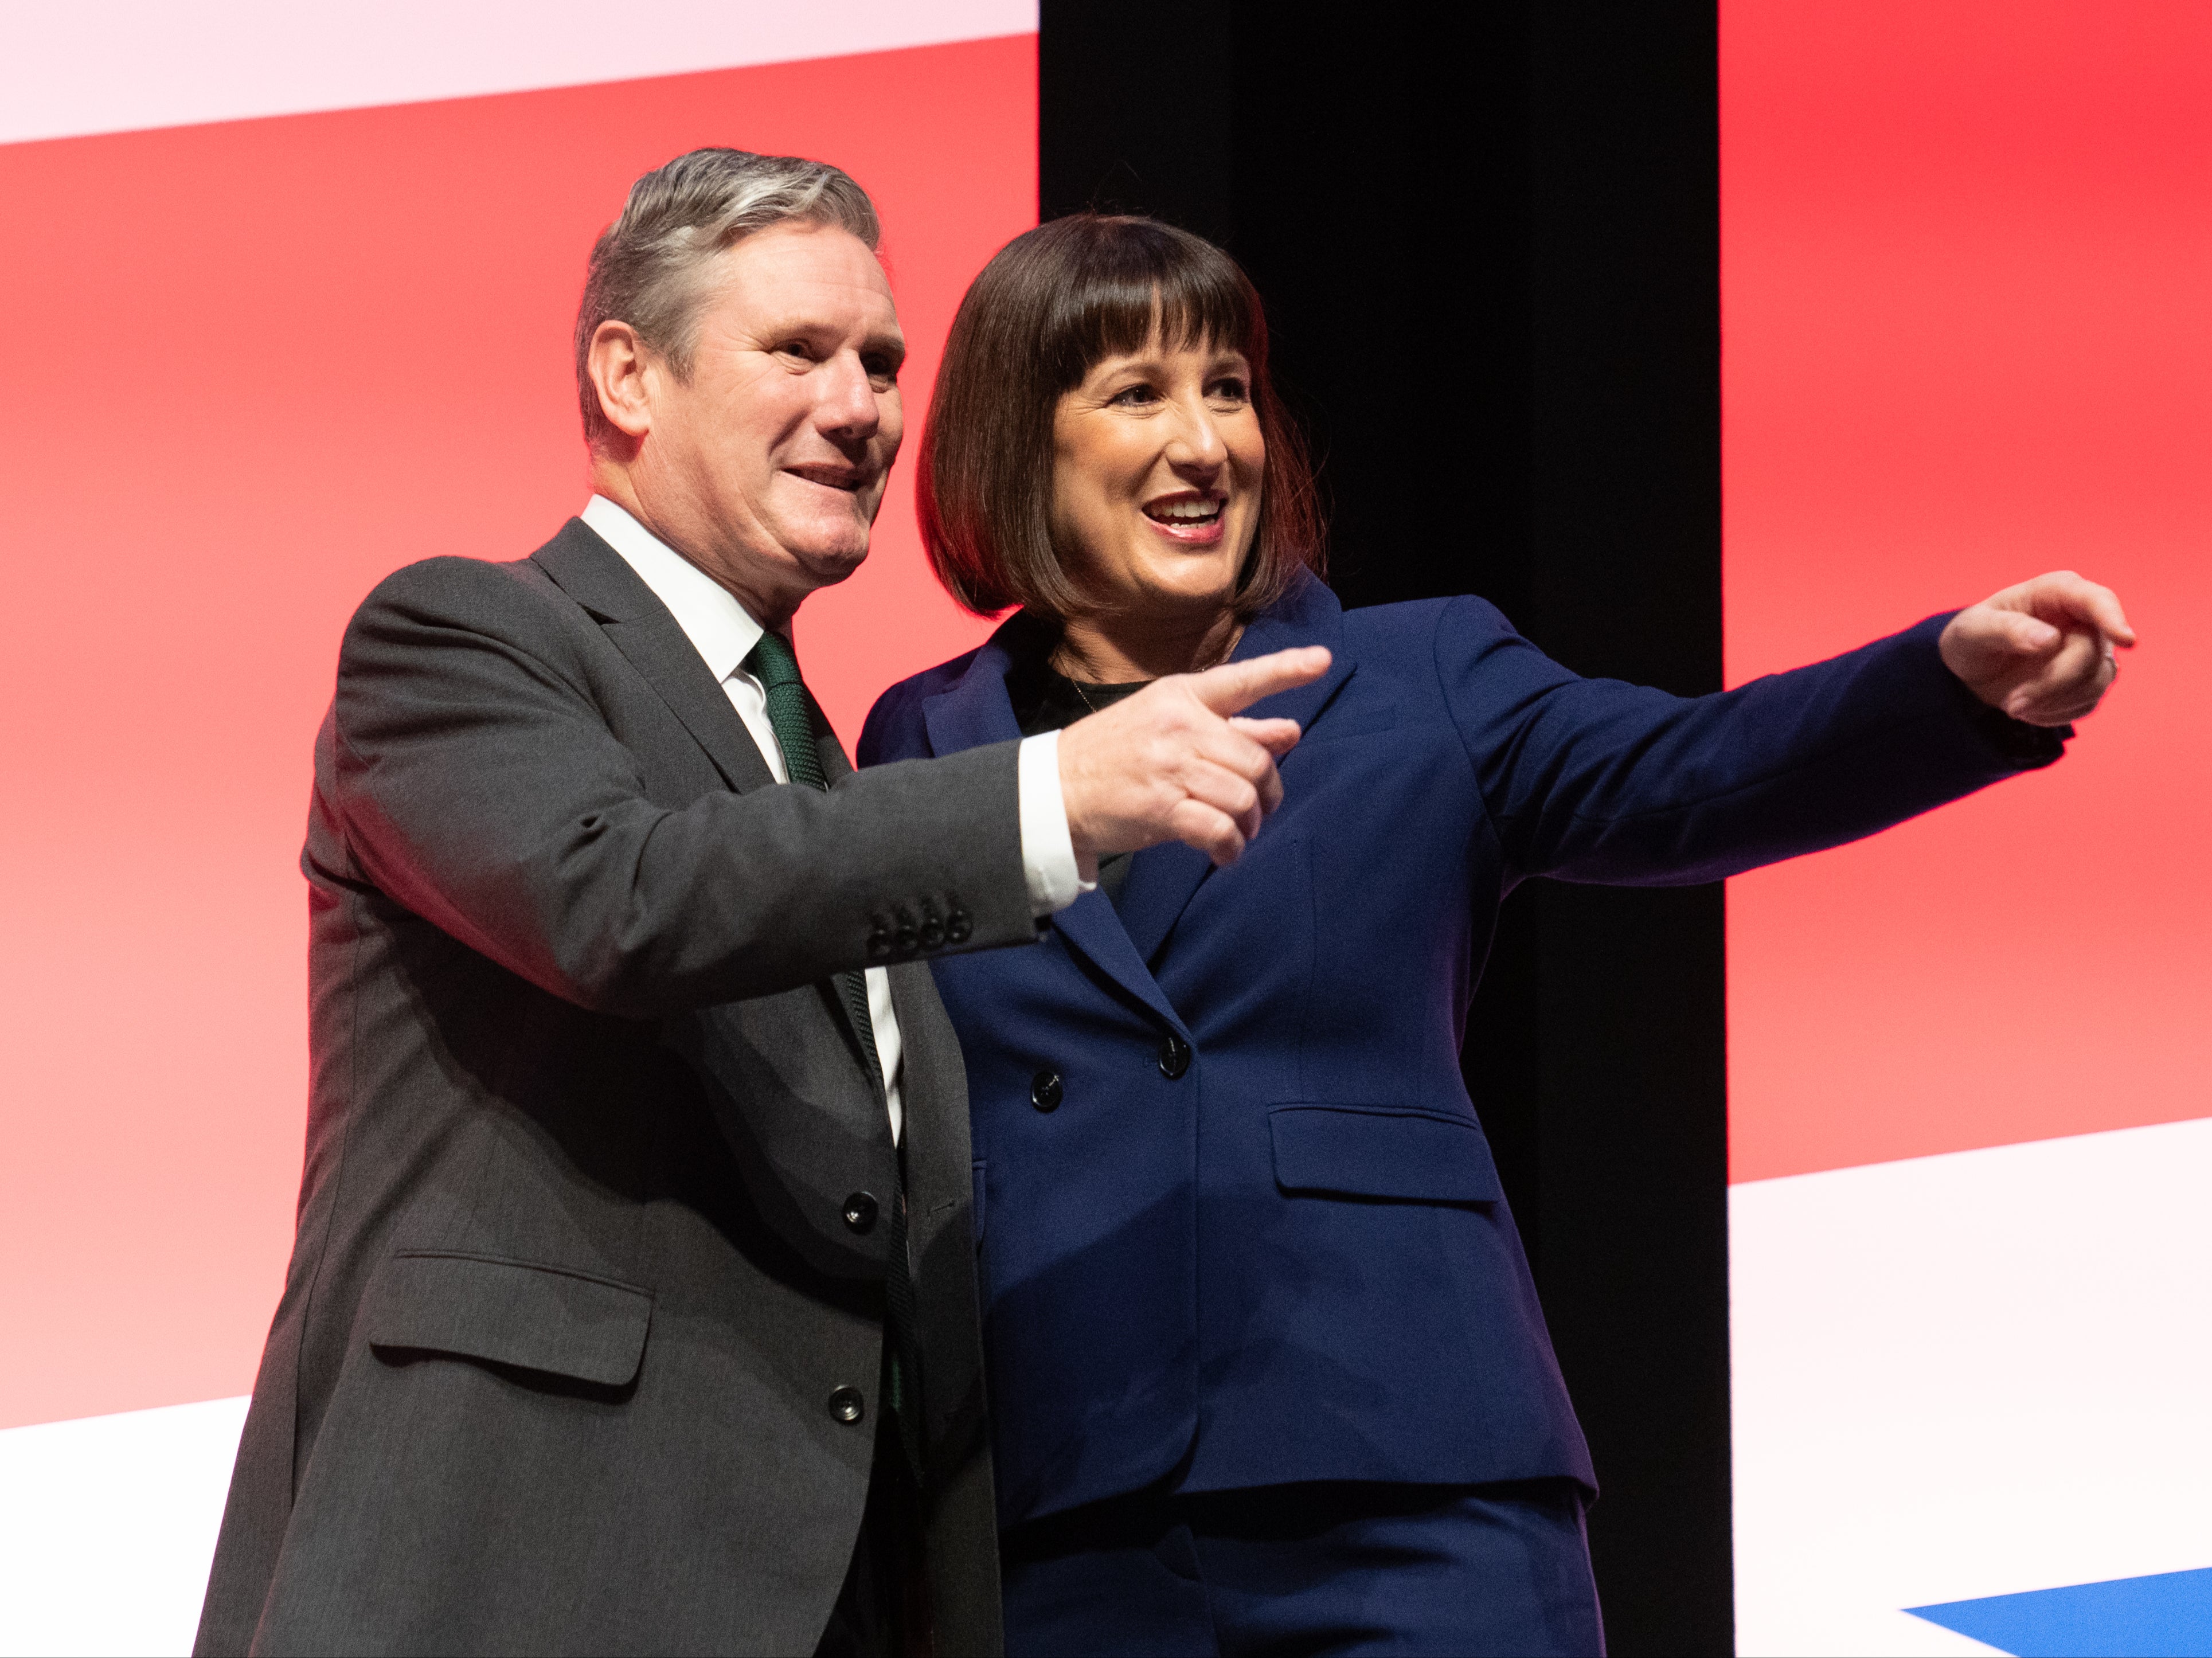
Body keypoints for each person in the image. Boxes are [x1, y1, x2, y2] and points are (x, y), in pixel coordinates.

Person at [857, 214, 2135, 1656]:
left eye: (1228, 387)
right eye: (1139, 393)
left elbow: (1695, 772)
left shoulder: (1423, 676)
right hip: (1068, 1492)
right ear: (1021, 442)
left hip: (1411, 1468)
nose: (1206, 442)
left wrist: (1946, 687)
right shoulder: (923, 740)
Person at [193, 156, 1326, 1658]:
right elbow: (621, 900)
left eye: (881, 363)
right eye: (797, 351)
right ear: (627, 374)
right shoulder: (465, 639)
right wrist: (1049, 798)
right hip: (513, 1578)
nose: (861, 406)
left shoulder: (819, 763)